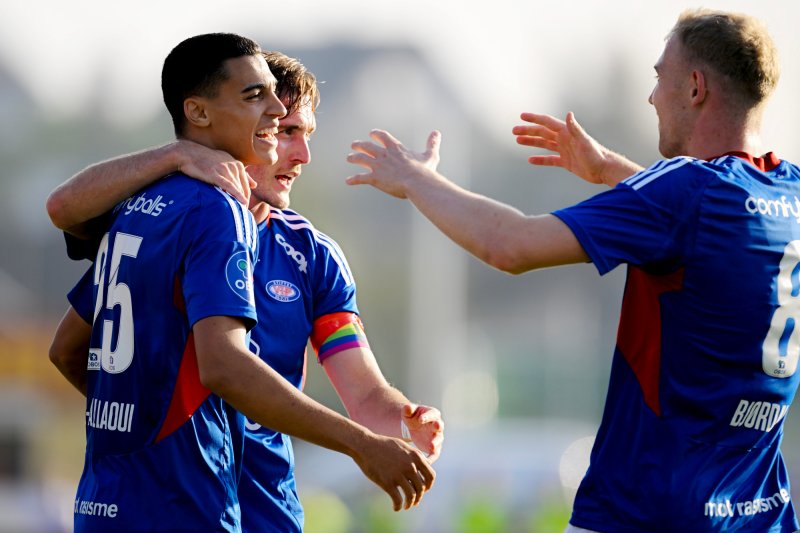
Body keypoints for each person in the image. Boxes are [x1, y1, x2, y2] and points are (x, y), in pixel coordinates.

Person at [345, 8, 800, 532]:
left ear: (694, 87)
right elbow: (704, 228)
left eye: (659, 78)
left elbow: (508, 245)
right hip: (758, 514)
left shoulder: (685, 192)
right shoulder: (782, 195)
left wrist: (415, 179)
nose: (652, 97)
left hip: (645, 512)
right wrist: (610, 171)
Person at [48, 33, 435, 532]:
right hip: (190, 506)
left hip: (255, 509)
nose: (300, 153)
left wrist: (402, 421)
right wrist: (164, 427)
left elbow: (364, 393)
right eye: (286, 129)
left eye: (304, 133)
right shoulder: (186, 213)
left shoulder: (312, 257)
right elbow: (63, 217)